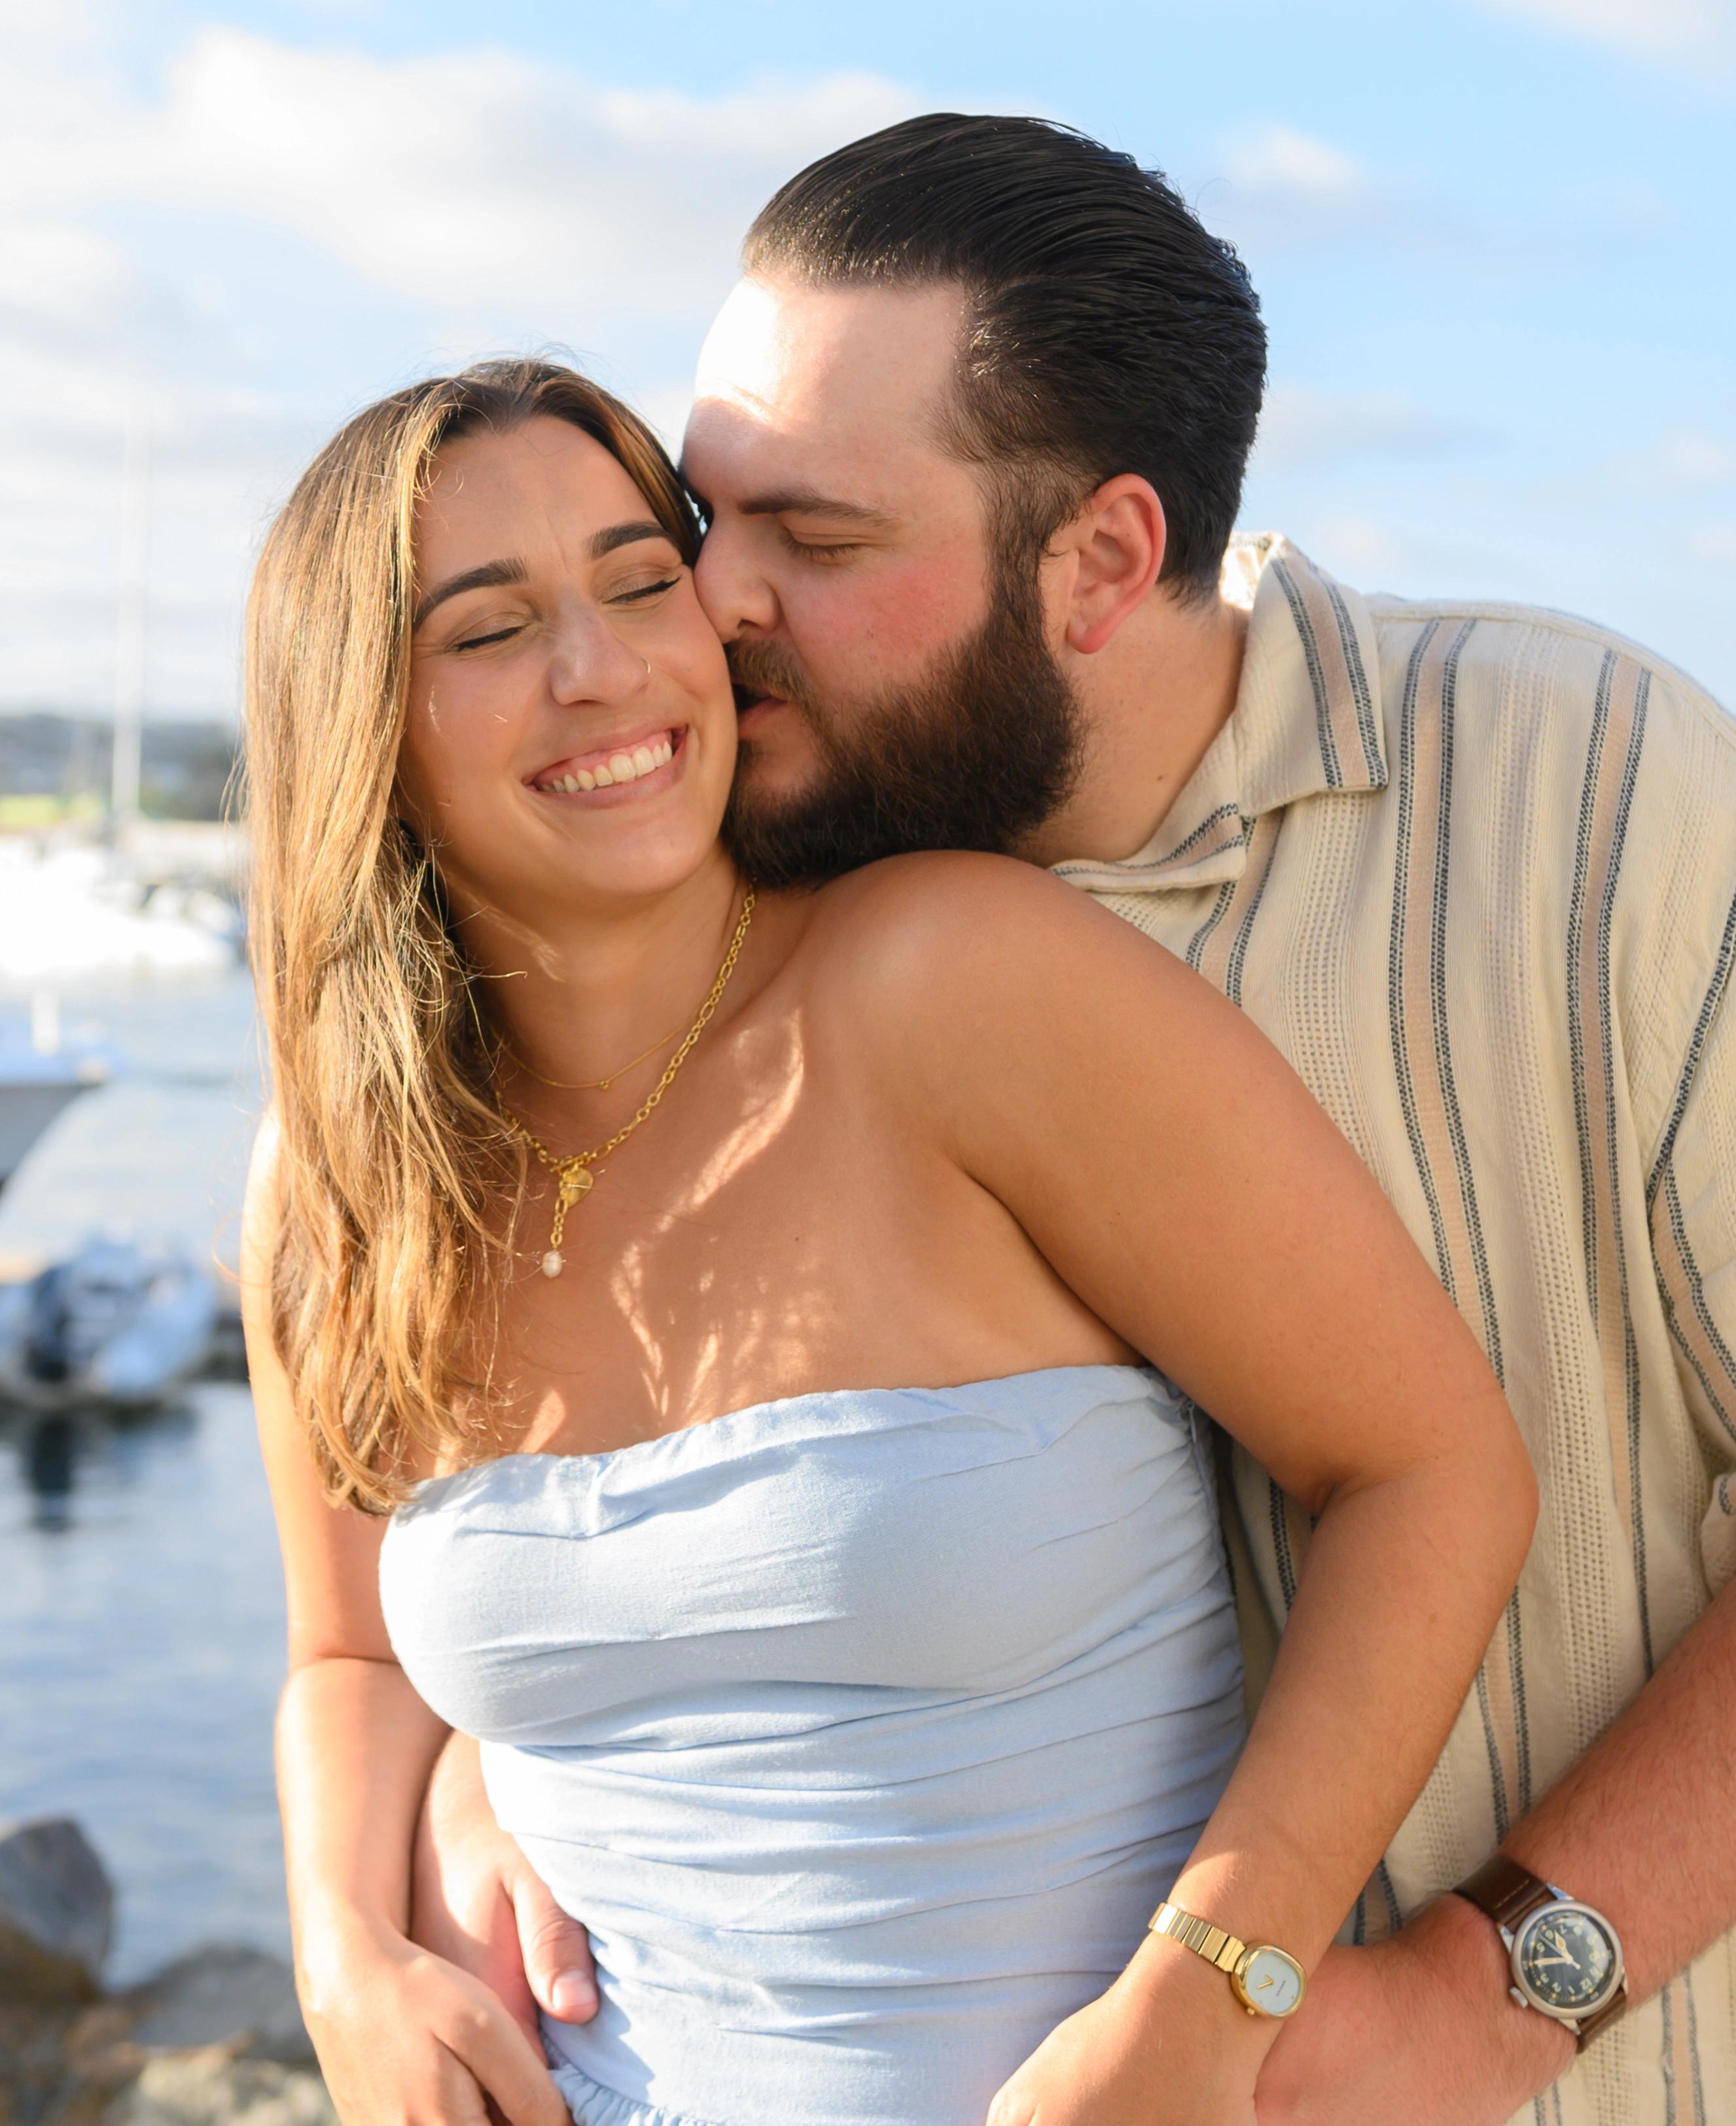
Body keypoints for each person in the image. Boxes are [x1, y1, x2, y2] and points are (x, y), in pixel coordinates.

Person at [419, 117, 1736, 2126]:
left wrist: (1493, 1990)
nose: (711, 607)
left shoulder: (1586, 795)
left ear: (1103, 561)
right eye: (708, 513)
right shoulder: (739, 905)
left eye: (823, 543)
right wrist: (503, 1782)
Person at [240, 357, 1532, 2126]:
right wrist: (342, 1958)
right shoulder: (347, 1179)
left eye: (638, 579)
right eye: (487, 629)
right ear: (358, 722)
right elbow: (351, 1657)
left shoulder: (952, 984)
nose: (600, 668)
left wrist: (1215, 1989)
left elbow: (1426, 1470)